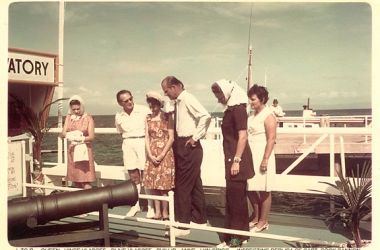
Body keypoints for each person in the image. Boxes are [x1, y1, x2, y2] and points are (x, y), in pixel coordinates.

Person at [161, 76, 211, 236]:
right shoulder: (177, 102)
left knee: (182, 185)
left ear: (174, 87)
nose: (166, 94)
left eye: (166, 91)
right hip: (183, 145)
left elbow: (205, 115)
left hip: (188, 145)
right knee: (195, 183)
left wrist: (195, 137)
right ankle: (200, 219)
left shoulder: (187, 98)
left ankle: (183, 226)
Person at [211, 79, 254, 247]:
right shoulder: (231, 109)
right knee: (235, 198)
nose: (218, 98)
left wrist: (236, 161)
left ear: (227, 92)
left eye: (219, 94)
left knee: (235, 200)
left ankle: (234, 239)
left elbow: (243, 136)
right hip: (232, 158)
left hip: (237, 160)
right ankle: (239, 236)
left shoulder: (238, 110)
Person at [115, 89, 154, 218]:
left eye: (131, 98)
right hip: (128, 144)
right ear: (120, 103)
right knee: (133, 176)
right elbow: (120, 132)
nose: (130, 102)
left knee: (146, 174)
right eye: (126, 101)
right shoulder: (119, 116)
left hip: (142, 142)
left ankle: (150, 206)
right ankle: (135, 205)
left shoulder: (144, 110)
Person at [246, 84, 277, 232]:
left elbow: (271, 139)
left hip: (263, 154)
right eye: (250, 99)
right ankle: (257, 217)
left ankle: (263, 221)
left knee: (264, 189)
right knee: (250, 187)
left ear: (262, 99)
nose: (251, 102)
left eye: (253, 99)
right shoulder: (252, 115)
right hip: (251, 155)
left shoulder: (268, 115)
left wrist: (265, 159)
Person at [143, 91, 175, 220]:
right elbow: (146, 137)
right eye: (150, 103)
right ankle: (157, 212)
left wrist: (161, 155)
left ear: (159, 103)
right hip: (152, 152)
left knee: (164, 186)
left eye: (154, 103)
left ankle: (165, 213)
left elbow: (171, 138)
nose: (152, 105)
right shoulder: (148, 118)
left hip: (165, 153)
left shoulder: (167, 117)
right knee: (154, 185)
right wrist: (150, 154)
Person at [61, 95, 96, 189]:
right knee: (75, 180)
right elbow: (64, 132)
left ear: (82, 106)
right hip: (72, 150)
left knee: (85, 180)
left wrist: (80, 139)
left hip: (84, 150)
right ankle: (79, 202)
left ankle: (89, 202)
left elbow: (91, 136)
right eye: (74, 109)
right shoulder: (69, 118)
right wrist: (71, 135)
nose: (76, 111)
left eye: (78, 108)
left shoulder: (88, 118)